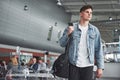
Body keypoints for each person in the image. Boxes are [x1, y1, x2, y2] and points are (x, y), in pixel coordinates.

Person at [59, 5, 104, 80]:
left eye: (91, 13)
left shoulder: (94, 30)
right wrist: (68, 34)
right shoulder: (71, 27)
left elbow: (98, 50)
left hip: (88, 65)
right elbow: (62, 43)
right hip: (74, 64)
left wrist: (100, 67)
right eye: (87, 12)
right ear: (81, 14)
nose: (89, 14)